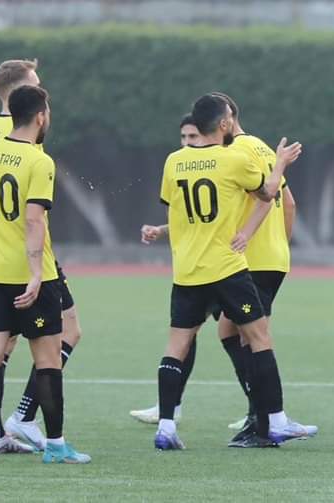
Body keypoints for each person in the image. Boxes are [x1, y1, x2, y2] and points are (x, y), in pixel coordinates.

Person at [0, 85, 90, 464]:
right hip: (27, 273)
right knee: (48, 359)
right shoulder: (39, 161)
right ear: (41, 116)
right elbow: (33, 219)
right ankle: (55, 446)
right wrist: (36, 273)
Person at [153, 93, 301, 450]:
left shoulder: (174, 161)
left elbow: (175, 210)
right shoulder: (233, 158)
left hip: (187, 270)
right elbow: (269, 193)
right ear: (224, 123)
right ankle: (277, 420)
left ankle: (166, 427)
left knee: (177, 345)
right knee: (259, 337)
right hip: (226, 267)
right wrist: (280, 163)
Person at [129, 114, 203, 425]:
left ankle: (264, 412)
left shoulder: (224, 165)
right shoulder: (178, 165)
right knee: (188, 337)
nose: (186, 143)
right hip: (192, 268)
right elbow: (191, 220)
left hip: (225, 268)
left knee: (245, 337)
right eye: (183, 137)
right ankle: (171, 406)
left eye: (193, 137)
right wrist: (160, 230)